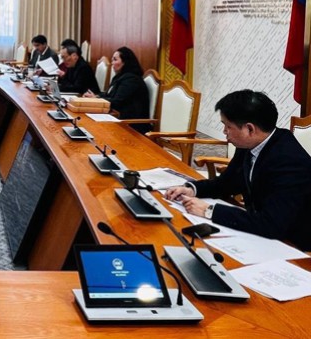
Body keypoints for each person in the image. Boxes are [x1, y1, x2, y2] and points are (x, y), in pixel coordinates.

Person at [165, 90, 311, 249]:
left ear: (250, 129)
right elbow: (226, 183)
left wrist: (209, 211)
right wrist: (192, 189)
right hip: (260, 232)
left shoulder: (290, 162)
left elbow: (271, 224)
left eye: (228, 126)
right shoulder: (249, 144)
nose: (224, 132)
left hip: (294, 246)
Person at [84, 47, 150, 132]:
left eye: (115, 60)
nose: (112, 63)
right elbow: (109, 94)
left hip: (132, 125)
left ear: (125, 62)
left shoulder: (132, 80)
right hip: (118, 118)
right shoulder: (120, 77)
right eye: (112, 60)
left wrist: (97, 99)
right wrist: (96, 96)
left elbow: (117, 102)